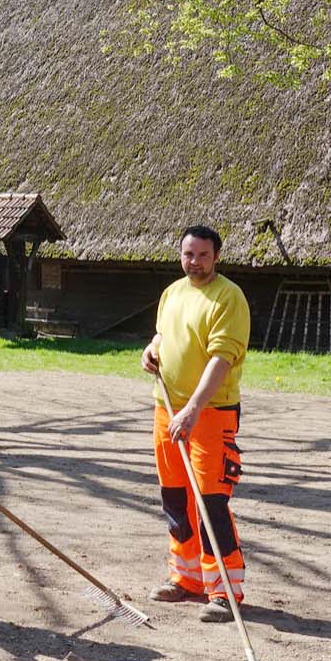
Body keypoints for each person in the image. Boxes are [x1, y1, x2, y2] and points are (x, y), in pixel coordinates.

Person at [140, 225, 250, 623]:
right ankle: (185, 578)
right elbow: (163, 336)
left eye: (203, 255)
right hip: (166, 408)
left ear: (216, 256)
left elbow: (221, 359)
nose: (195, 262)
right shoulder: (172, 293)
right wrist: (151, 350)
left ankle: (224, 590)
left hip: (210, 414)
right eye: (189, 254)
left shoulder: (229, 297)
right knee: (175, 498)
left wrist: (193, 409)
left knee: (210, 502)